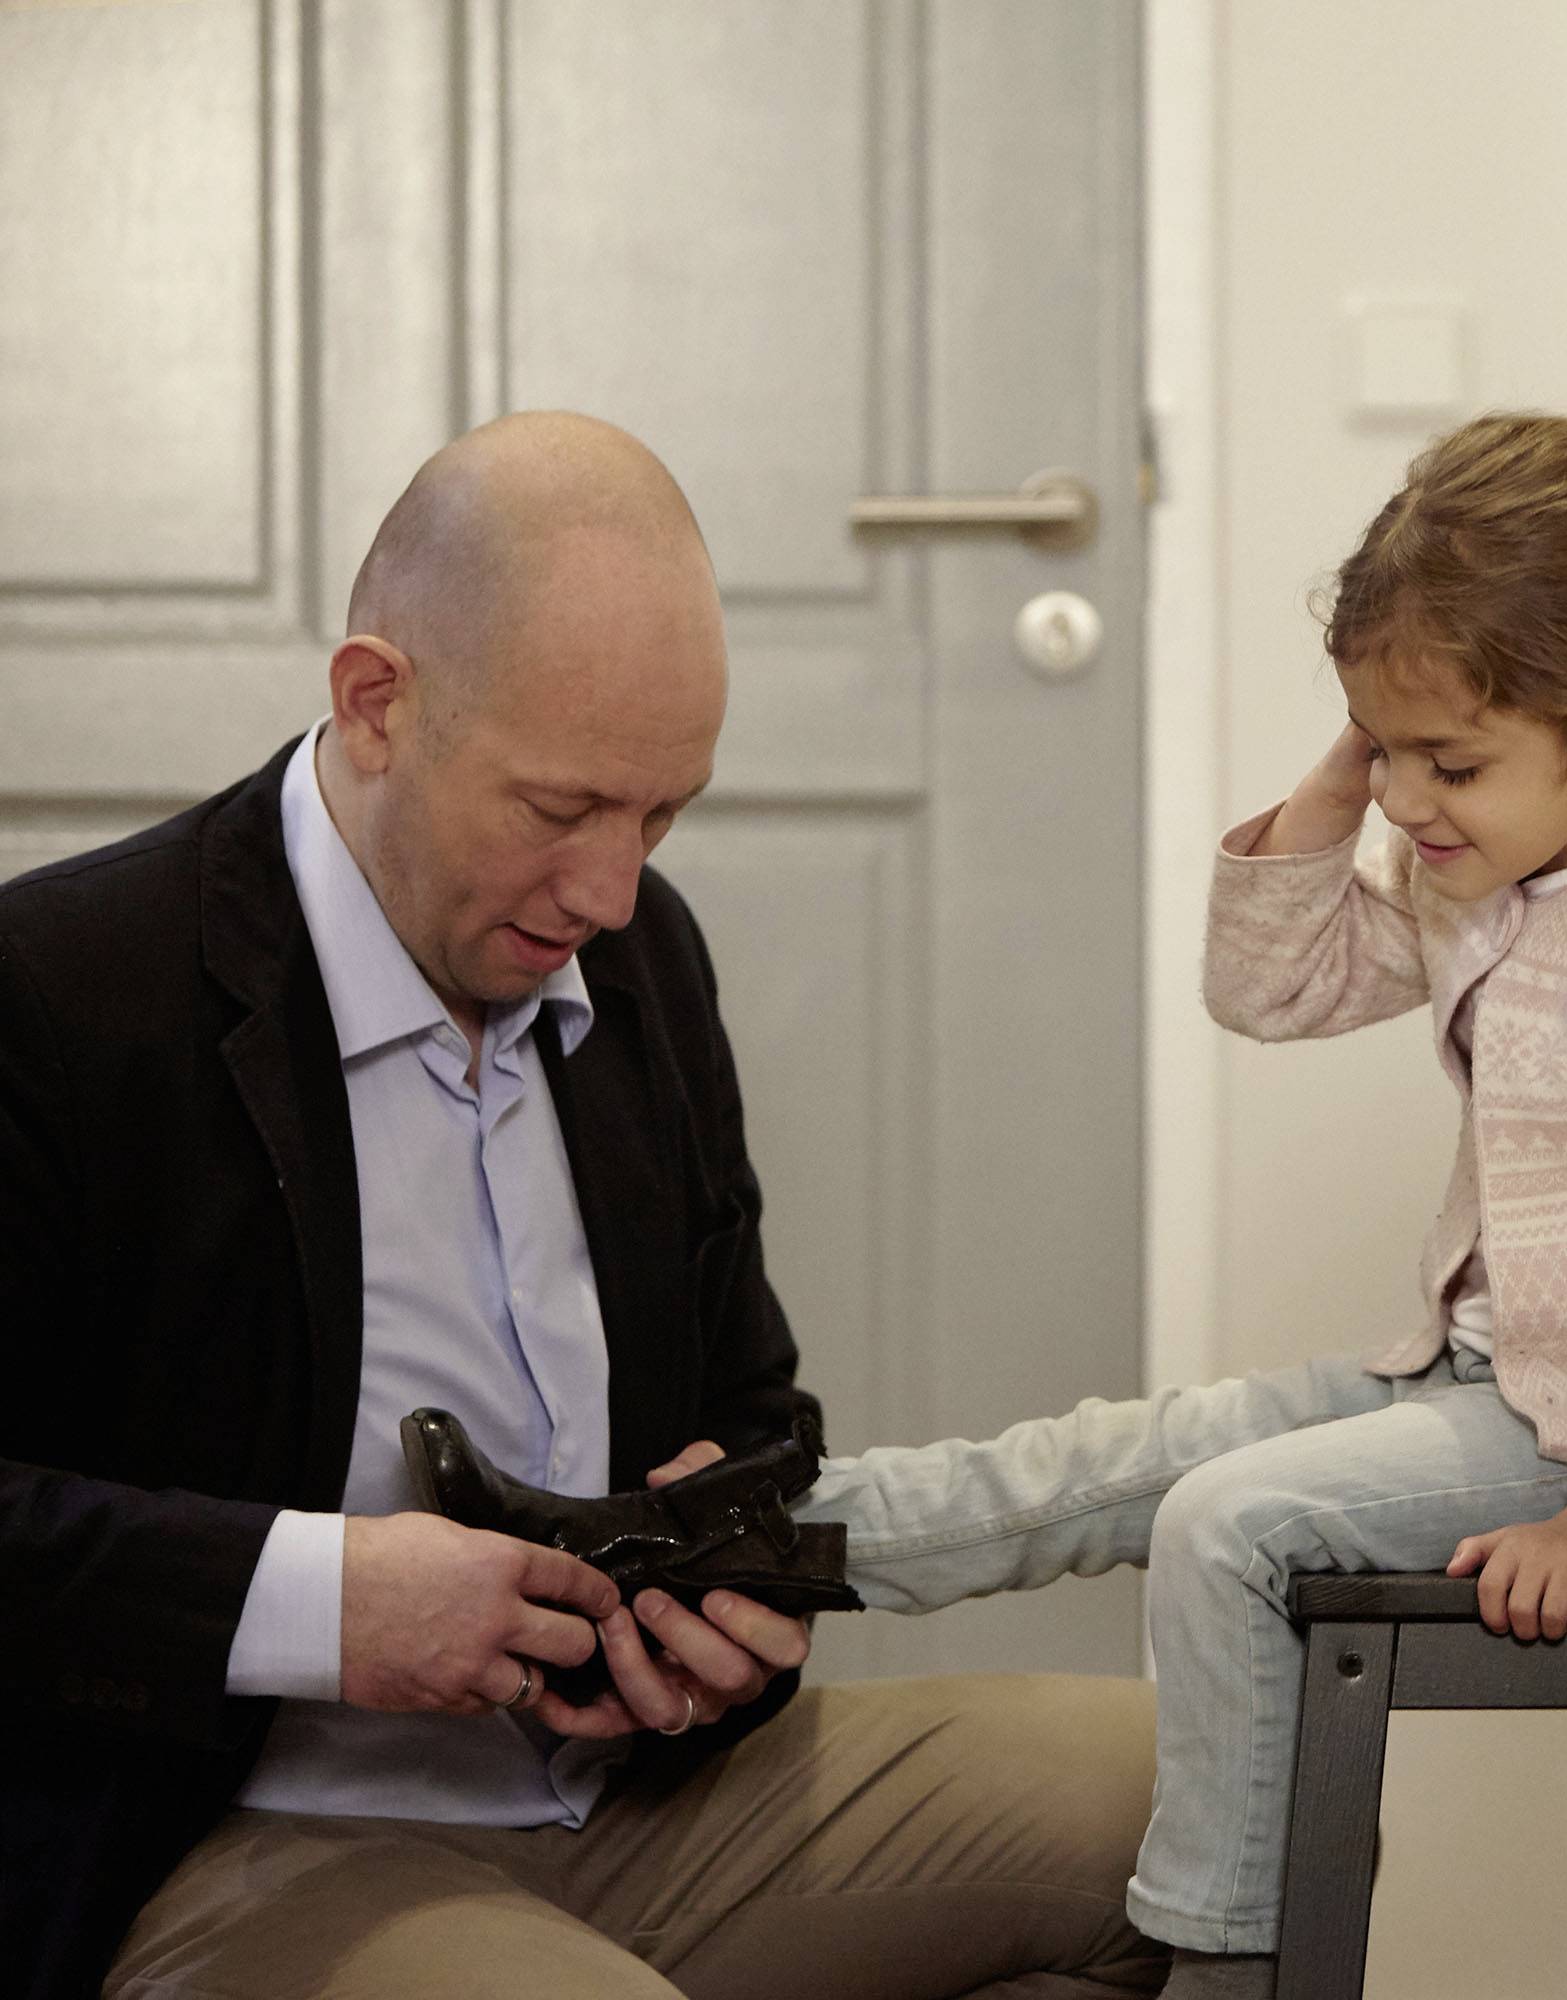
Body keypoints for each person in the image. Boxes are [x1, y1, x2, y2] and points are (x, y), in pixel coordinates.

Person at [0, 412, 1166, 2000]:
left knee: (1212, 1793)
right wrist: (324, 1609)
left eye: (662, 814)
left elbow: (759, 1411)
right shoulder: (64, 996)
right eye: (560, 811)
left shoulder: (639, 958)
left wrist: (726, 1609)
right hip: (252, 1832)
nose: (611, 892)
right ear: (375, 706)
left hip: (645, 1803)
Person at [796, 411, 1567, 1998]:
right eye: (1388, 749)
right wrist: (1352, 780)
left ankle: (1224, 1970)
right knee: (1130, 1455)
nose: (1414, 800)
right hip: (1486, 1386)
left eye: (1454, 761)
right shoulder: (1493, 865)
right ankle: (769, 1545)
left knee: (1228, 1527)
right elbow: (1267, 989)